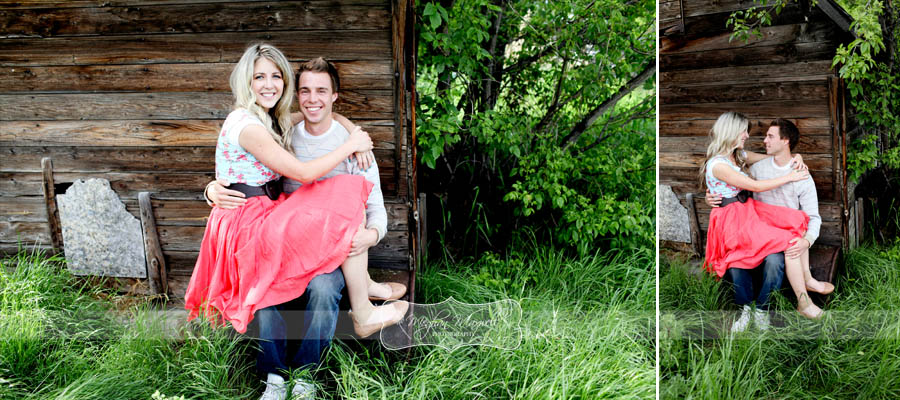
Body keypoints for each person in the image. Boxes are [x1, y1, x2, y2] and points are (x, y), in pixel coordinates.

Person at [184, 43, 408, 400]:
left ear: (333, 96)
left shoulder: (274, 122)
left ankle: (307, 375)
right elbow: (301, 174)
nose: (269, 84)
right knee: (268, 288)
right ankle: (274, 378)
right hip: (257, 224)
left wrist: (354, 135)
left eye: (275, 76)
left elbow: (373, 202)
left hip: (277, 222)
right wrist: (211, 190)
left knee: (325, 281)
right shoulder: (255, 126)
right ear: (247, 81)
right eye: (259, 77)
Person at [701, 112, 829, 328]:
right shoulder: (718, 164)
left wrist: (797, 158)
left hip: (746, 214)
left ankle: (770, 305)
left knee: (793, 228)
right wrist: (790, 176)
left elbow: (771, 159)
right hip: (732, 220)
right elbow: (756, 186)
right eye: (743, 131)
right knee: (739, 260)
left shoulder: (738, 156)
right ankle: (749, 310)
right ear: (732, 131)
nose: (747, 136)